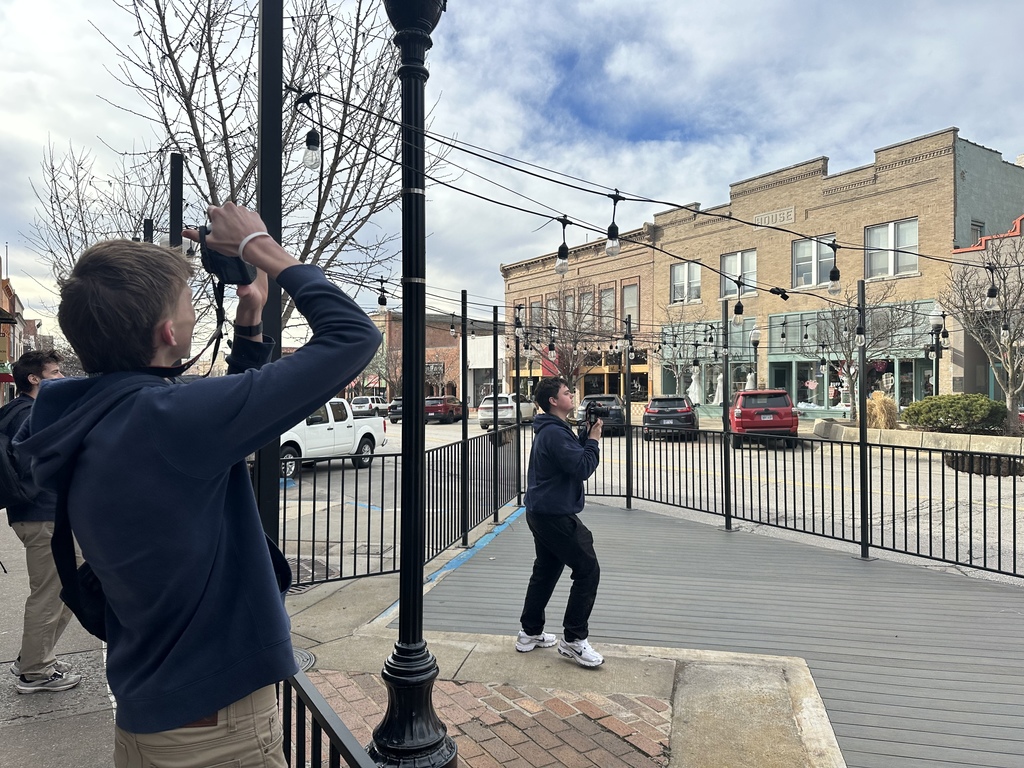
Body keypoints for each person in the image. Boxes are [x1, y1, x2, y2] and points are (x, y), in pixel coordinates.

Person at [15, 203, 381, 767]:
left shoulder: (92, 418)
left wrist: (250, 318)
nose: (192, 317)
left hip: (152, 715)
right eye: (187, 307)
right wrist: (261, 246)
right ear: (168, 331)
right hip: (215, 734)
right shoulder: (166, 420)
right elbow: (353, 336)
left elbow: (209, 430)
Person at [3, 350, 81, 694]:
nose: (62, 376)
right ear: (34, 379)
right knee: (53, 591)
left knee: (64, 587)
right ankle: (35, 671)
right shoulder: (32, 415)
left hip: (34, 515)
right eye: (54, 372)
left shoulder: (13, 411)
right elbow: (38, 466)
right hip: (43, 514)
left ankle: (34, 657)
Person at [516, 376, 604, 668]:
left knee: (546, 570)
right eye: (567, 392)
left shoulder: (553, 430)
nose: (572, 394)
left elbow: (569, 460)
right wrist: (593, 441)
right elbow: (581, 467)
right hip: (553, 514)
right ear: (554, 401)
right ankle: (574, 639)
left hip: (540, 511)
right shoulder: (554, 433)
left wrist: (583, 437)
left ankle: (530, 633)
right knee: (588, 569)